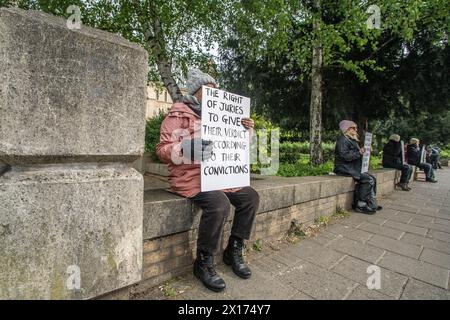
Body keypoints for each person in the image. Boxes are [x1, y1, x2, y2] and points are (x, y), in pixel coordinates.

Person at [156, 69, 260, 292]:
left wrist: (246, 130)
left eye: (215, 89)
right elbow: (162, 150)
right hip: (190, 176)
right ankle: (203, 262)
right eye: (208, 89)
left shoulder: (225, 115)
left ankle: (234, 250)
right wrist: (183, 147)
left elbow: (239, 146)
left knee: (250, 197)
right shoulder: (178, 114)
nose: (213, 92)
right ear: (196, 92)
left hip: (219, 174)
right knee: (219, 203)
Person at [333, 120, 382, 214]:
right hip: (344, 168)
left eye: (356, 128)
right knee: (368, 179)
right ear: (347, 129)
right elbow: (345, 156)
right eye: (353, 128)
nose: (356, 130)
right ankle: (361, 204)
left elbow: (356, 155)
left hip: (352, 167)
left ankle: (371, 203)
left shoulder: (351, 140)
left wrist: (365, 151)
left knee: (373, 179)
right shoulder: (342, 140)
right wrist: (360, 152)